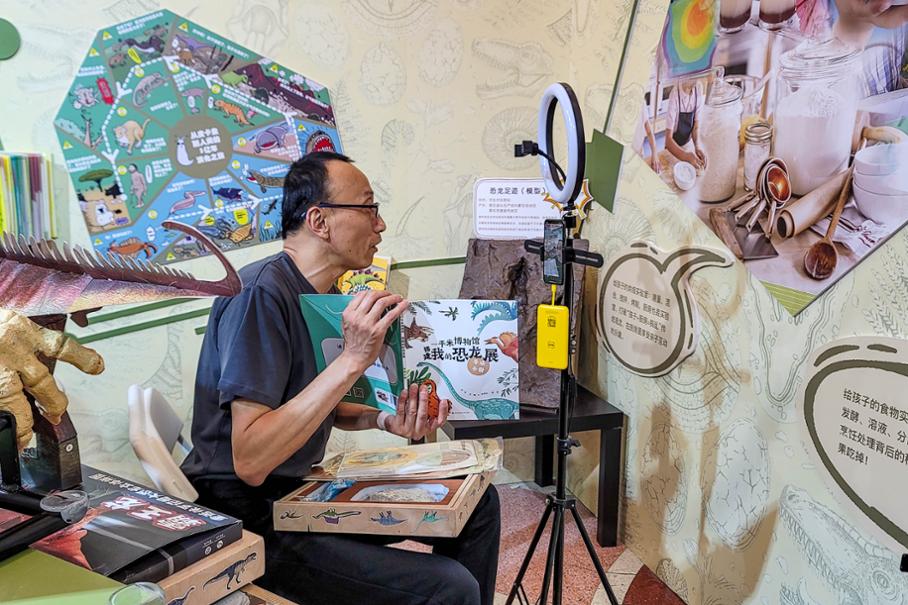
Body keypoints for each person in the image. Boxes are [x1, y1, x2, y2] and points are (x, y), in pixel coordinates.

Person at [181, 151, 501, 605]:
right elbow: (250, 460)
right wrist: (351, 359)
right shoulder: (259, 295)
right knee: (449, 587)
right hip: (250, 517)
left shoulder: (324, 294)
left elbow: (321, 402)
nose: (380, 224)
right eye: (368, 208)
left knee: (479, 504)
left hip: (299, 492)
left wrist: (383, 420)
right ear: (319, 220)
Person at [663, 78, 708, 171]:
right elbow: (668, 140)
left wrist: (697, 146)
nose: (696, 80)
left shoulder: (698, 87)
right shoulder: (675, 94)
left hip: (687, 145)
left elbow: (695, 126)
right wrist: (685, 156)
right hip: (673, 147)